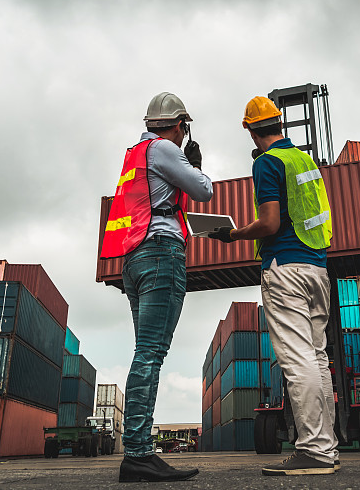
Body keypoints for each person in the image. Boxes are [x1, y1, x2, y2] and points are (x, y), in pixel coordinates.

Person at [208, 96, 337, 476]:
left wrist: (232, 234)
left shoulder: (267, 162)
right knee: (317, 358)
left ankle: (313, 451)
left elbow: (269, 223)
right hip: (317, 268)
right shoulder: (304, 161)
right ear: (279, 124)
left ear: (249, 130)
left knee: (298, 359)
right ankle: (327, 447)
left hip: (285, 267)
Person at [100, 92, 212, 482]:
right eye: (184, 129)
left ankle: (139, 451)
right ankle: (138, 453)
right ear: (180, 125)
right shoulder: (165, 149)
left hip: (134, 257)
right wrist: (195, 166)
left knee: (144, 352)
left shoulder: (135, 153)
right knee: (150, 354)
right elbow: (204, 191)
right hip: (161, 252)